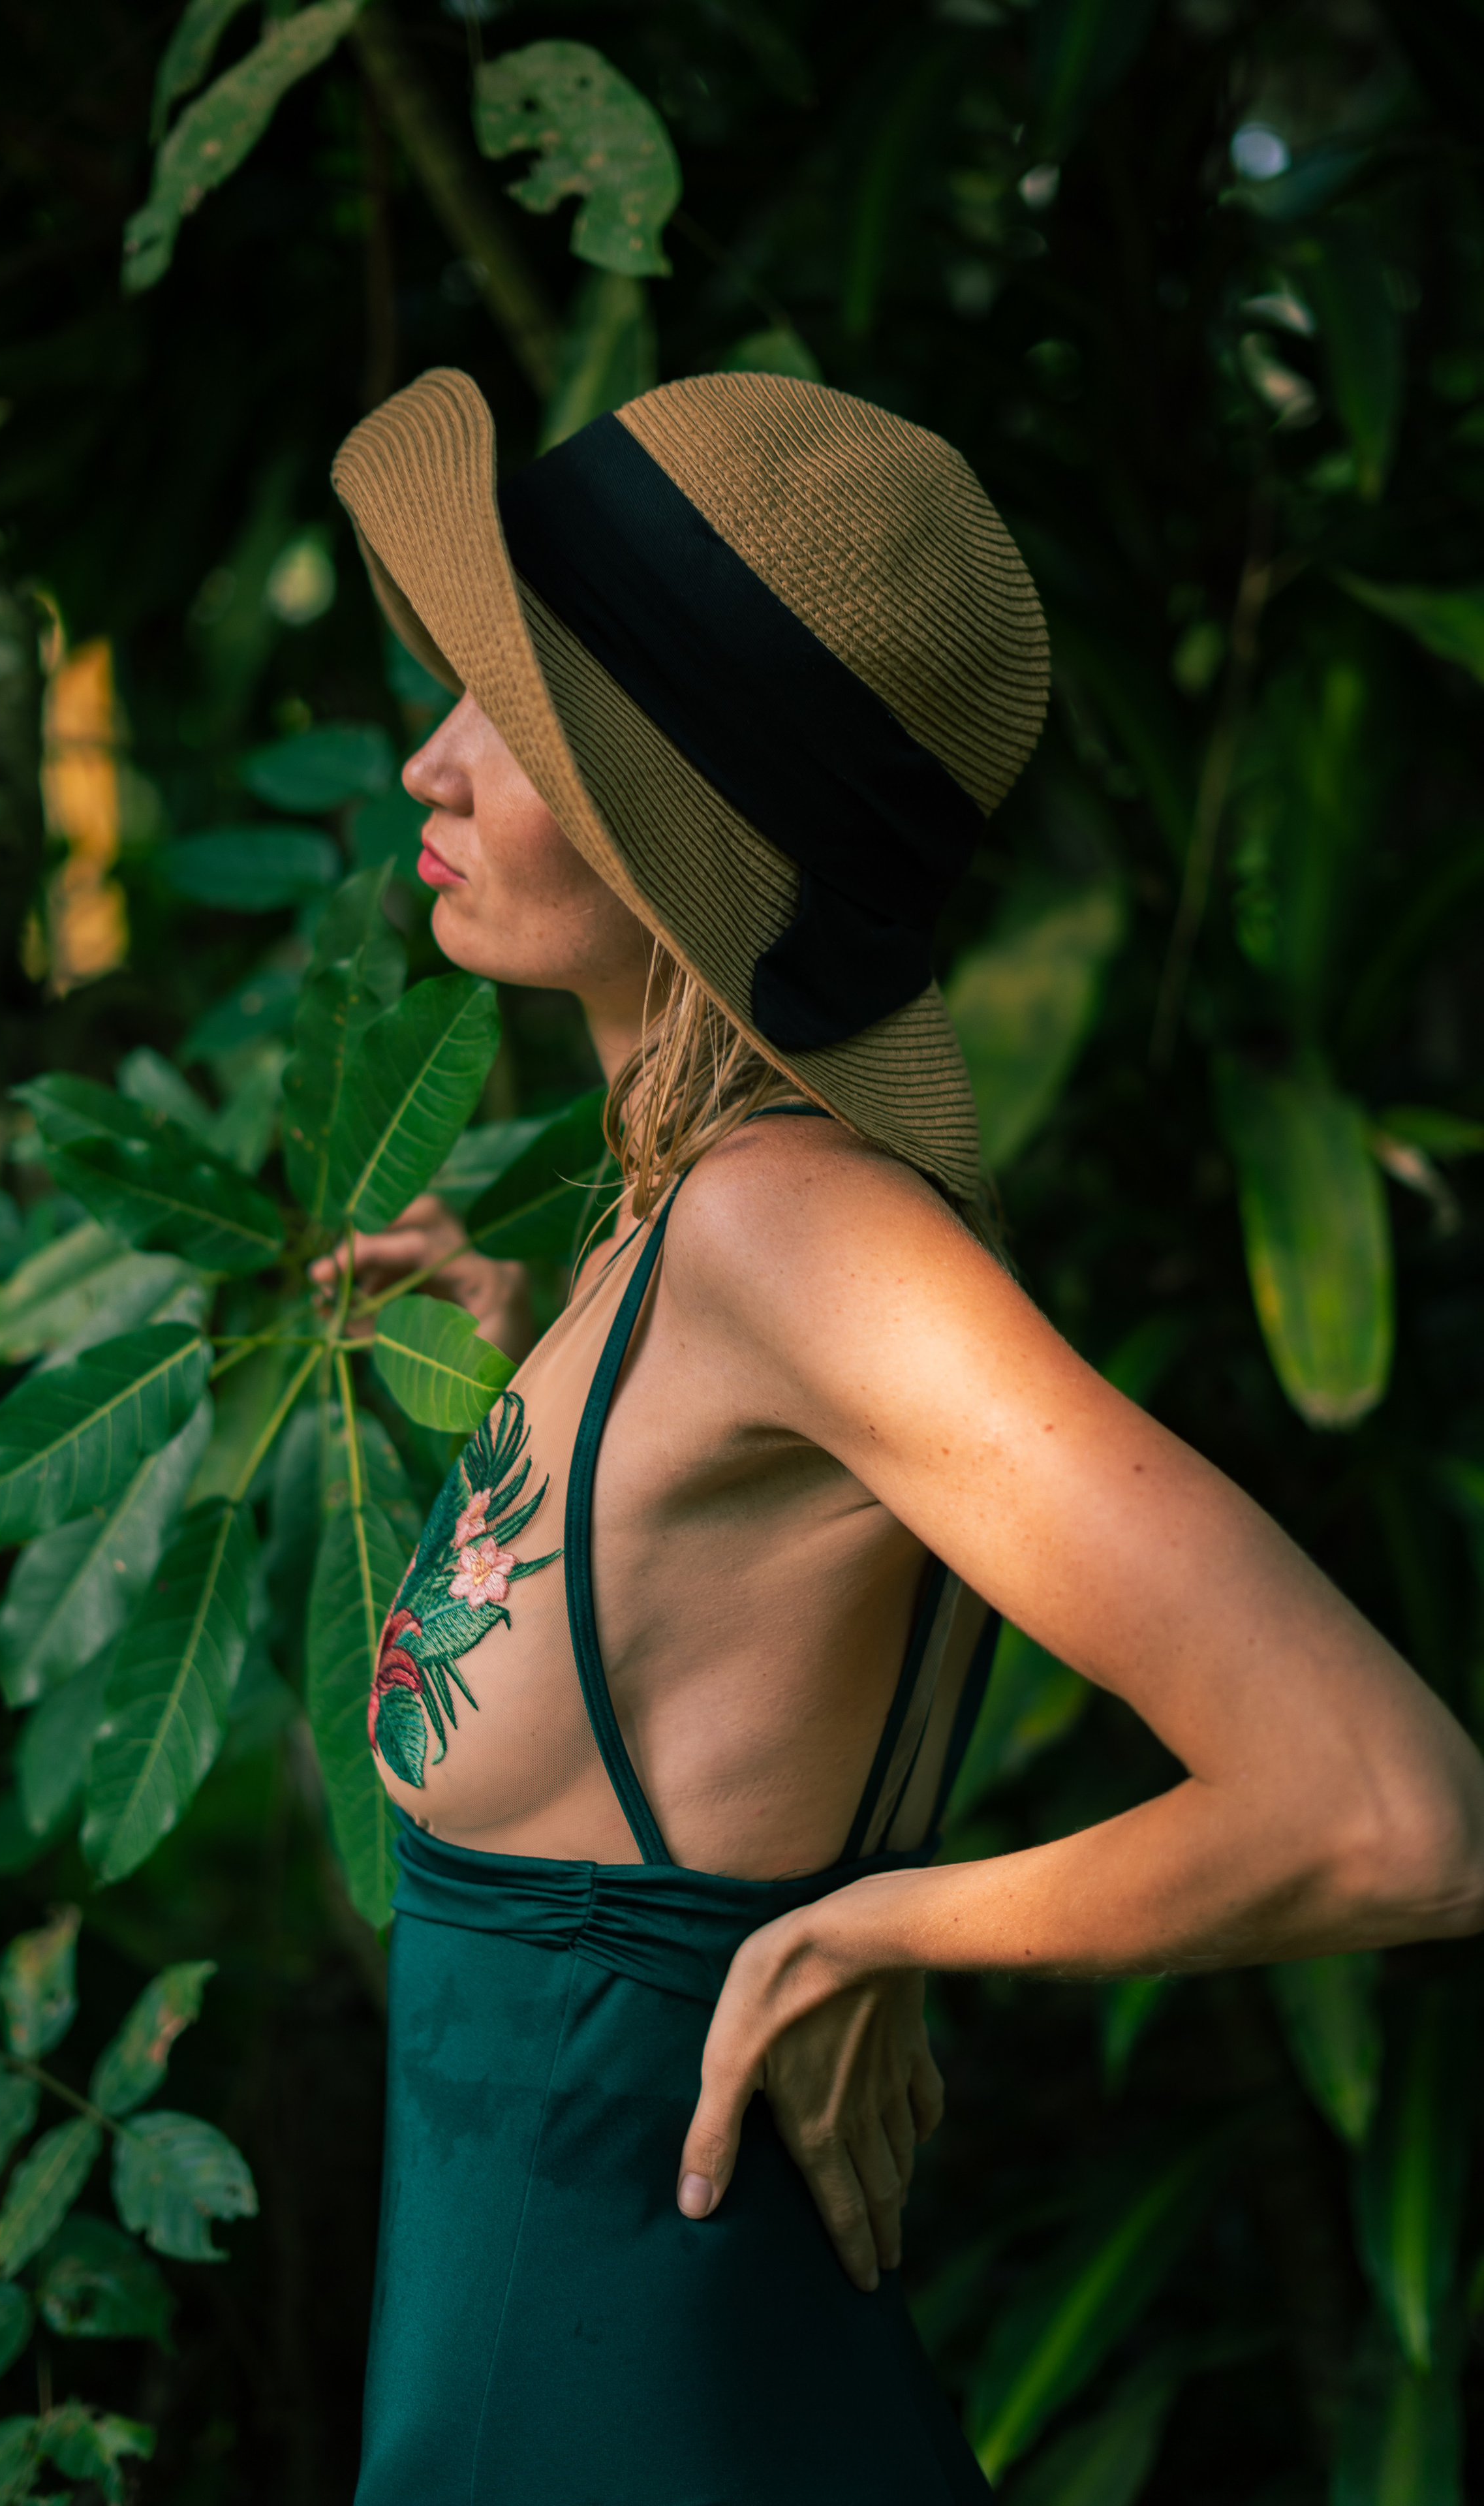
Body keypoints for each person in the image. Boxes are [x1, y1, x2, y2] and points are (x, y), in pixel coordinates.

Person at [315, 367, 1484, 2506]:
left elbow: (1395, 1806)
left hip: (627, 2415)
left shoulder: (790, 1232)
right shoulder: (692, 1217)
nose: (437, 757)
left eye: (517, 711)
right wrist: (532, 1373)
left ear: (690, 807)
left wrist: (885, 1928)